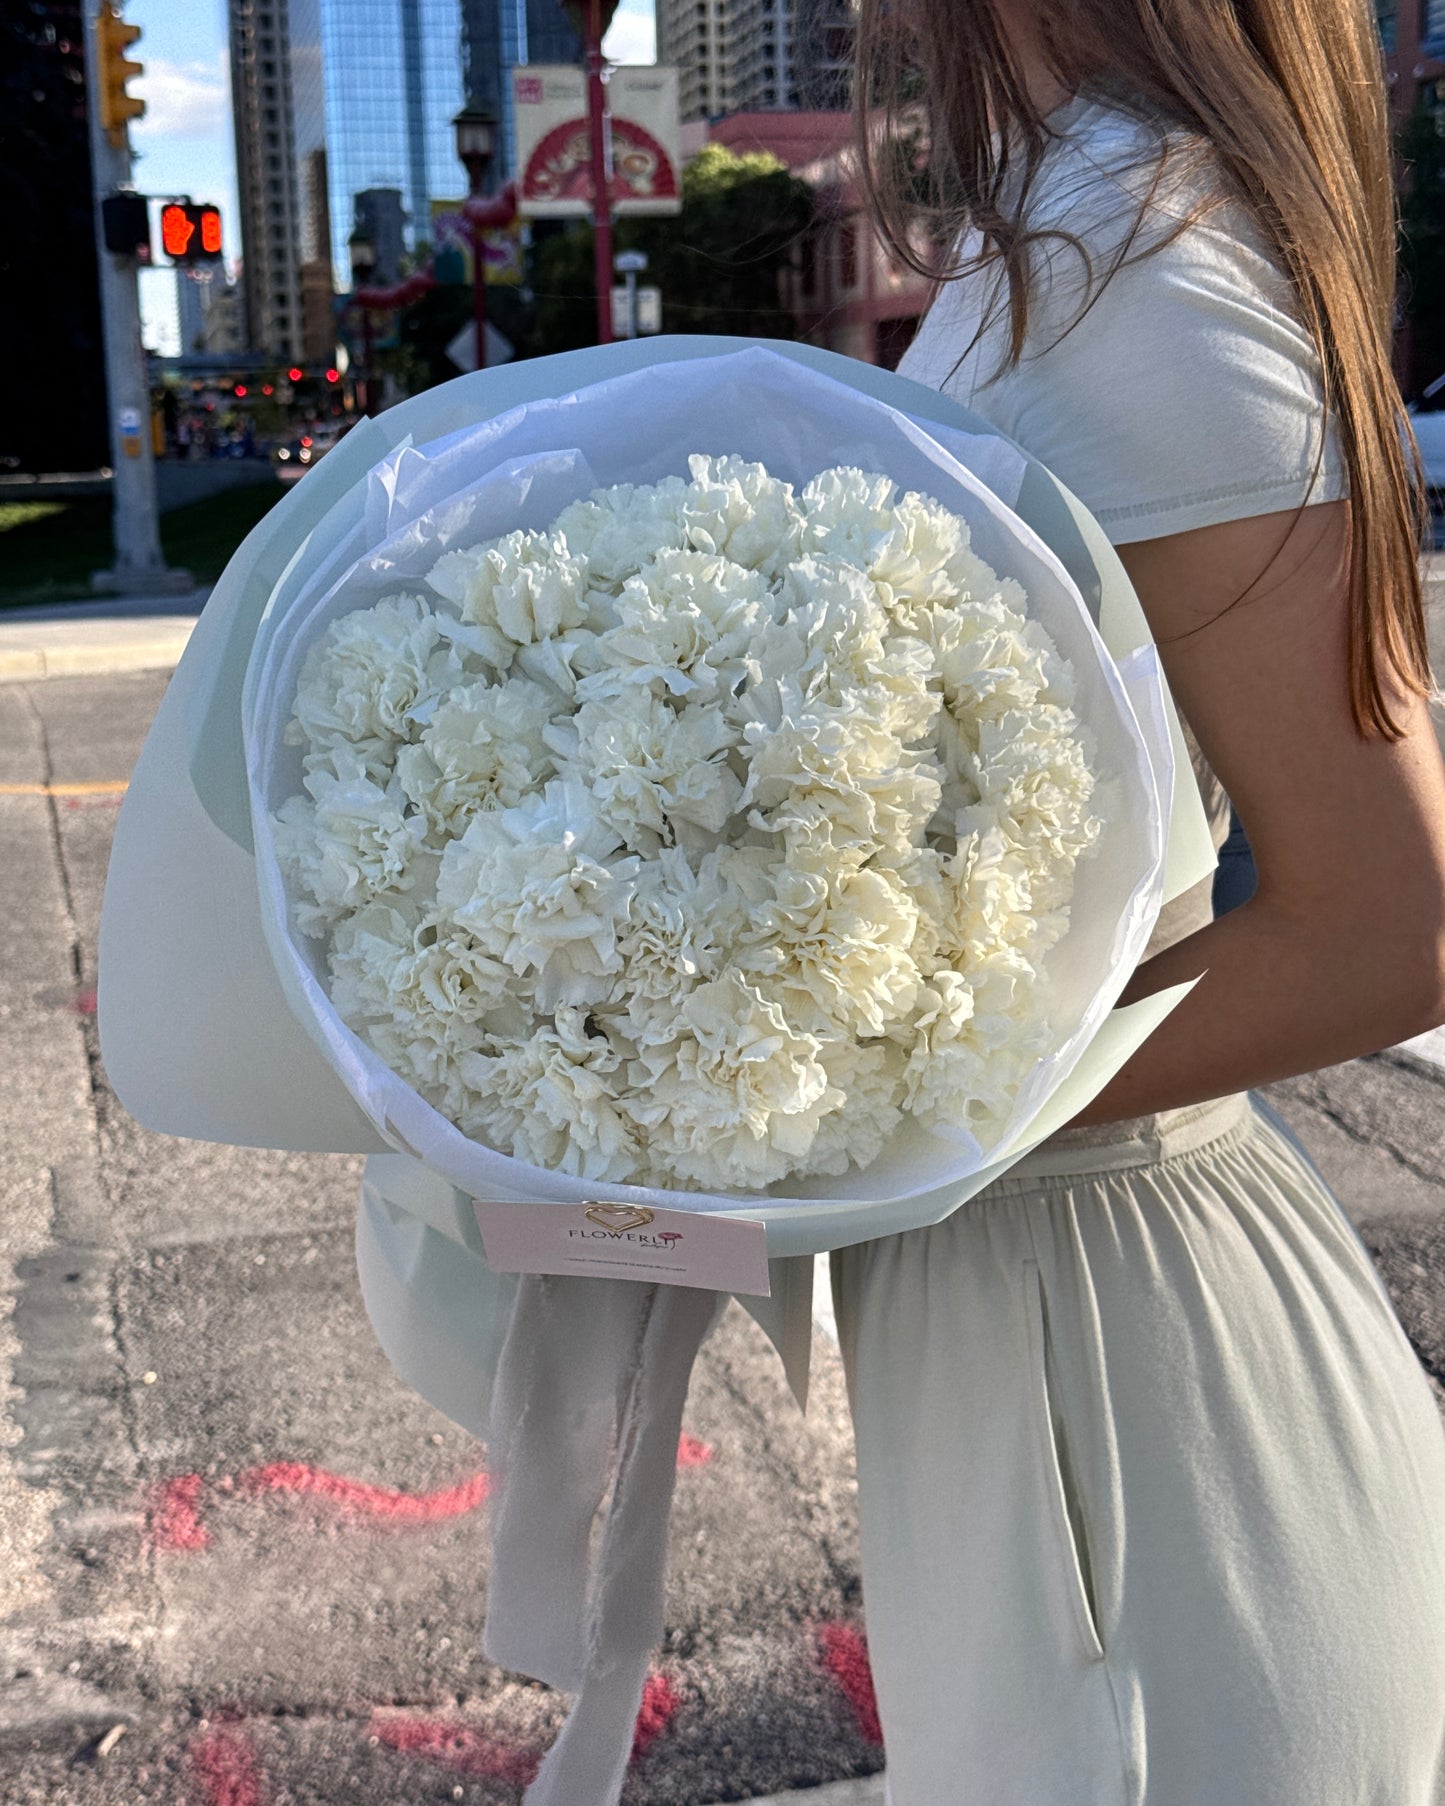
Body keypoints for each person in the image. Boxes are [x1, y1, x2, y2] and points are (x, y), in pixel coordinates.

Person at [831, 1, 1445, 1800]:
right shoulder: (1066, 229)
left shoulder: (1124, 256)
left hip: (1115, 1373)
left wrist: (829, 1116)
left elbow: (1384, 924)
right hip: (1042, 1349)